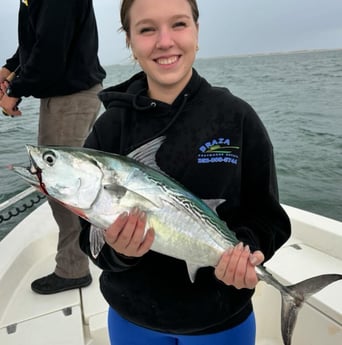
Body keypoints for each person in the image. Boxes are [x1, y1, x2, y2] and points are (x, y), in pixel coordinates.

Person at [79, 0, 291, 344]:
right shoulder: (109, 129)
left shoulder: (237, 117)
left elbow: (268, 217)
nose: (165, 41)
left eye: (178, 24)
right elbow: (89, 239)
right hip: (132, 318)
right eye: (147, 29)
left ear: (196, 31)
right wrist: (120, 252)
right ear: (130, 42)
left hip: (221, 321)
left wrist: (246, 250)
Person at [0, 0, 106, 294]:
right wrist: (9, 68)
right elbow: (36, 42)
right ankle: (83, 256)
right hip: (66, 96)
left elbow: (49, 56)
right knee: (60, 184)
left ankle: (73, 269)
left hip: (70, 97)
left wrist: (14, 90)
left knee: (63, 188)